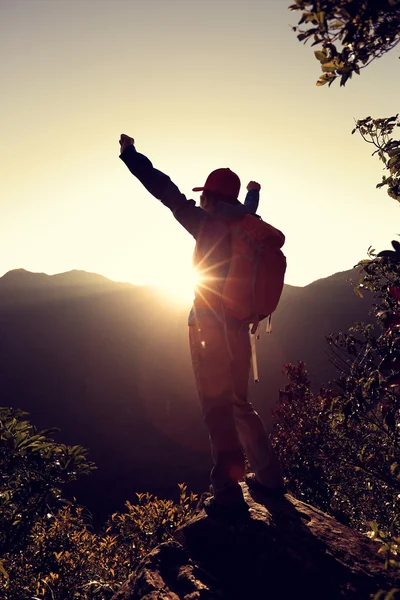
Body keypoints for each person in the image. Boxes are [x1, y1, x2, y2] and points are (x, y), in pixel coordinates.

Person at [119, 134, 285, 516]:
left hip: (208, 330)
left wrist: (131, 156)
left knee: (216, 408)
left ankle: (226, 487)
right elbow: (247, 205)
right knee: (239, 404)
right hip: (242, 329)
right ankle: (270, 477)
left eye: (204, 196)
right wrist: (254, 193)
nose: (200, 201)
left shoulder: (203, 223)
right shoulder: (246, 222)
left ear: (209, 197)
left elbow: (166, 190)